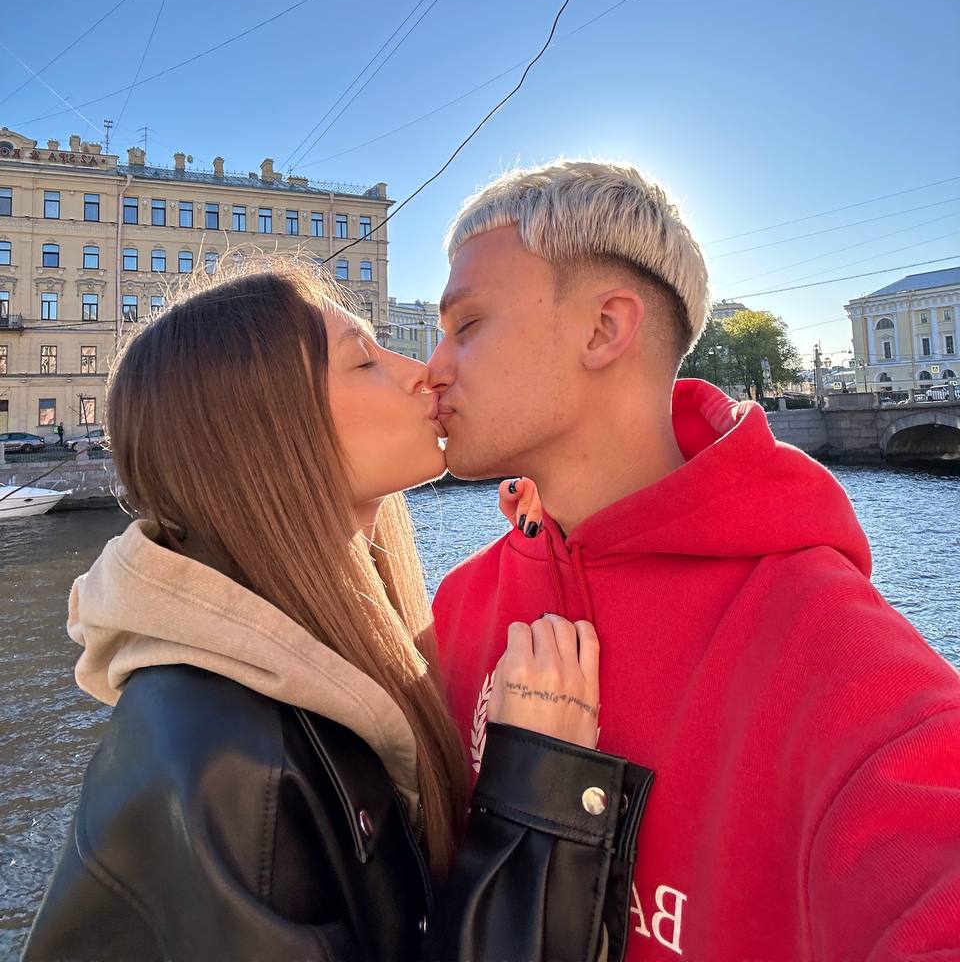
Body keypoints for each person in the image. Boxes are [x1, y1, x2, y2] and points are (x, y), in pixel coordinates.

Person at [23, 261, 653, 962]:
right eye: (364, 361)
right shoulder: (224, 768)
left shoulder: (298, 672)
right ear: (263, 432)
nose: (423, 373)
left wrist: (554, 530)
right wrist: (538, 799)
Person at [427, 159, 960, 961]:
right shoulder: (458, 604)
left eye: (466, 325)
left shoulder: (830, 648)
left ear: (604, 329)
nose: (433, 368)